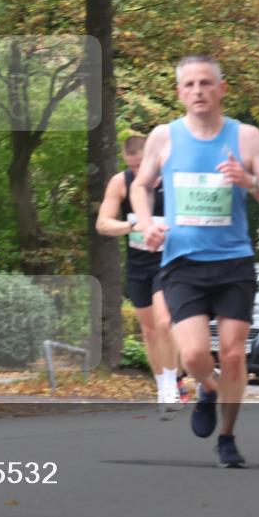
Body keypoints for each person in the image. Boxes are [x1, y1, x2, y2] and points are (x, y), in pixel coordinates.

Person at [130, 55, 259, 468]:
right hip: (182, 262)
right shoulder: (164, 137)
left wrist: (249, 181)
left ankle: (228, 437)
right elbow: (141, 186)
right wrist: (147, 223)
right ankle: (209, 387)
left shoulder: (247, 138)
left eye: (205, 83)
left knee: (235, 354)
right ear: (180, 92)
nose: (198, 91)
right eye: (189, 85)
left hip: (234, 262)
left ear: (221, 89)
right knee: (196, 354)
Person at [96, 136, 187, 417]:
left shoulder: (173, 178)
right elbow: (102, 223)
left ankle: (172, 385)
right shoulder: (121, 183)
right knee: (148, 330)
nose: (136, 171)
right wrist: (130, 225)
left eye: (140, 165)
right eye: (131, 166)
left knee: (164, 322)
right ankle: (162, 386)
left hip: (169, 260)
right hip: (138, 265)